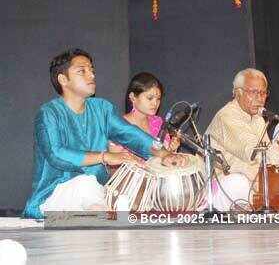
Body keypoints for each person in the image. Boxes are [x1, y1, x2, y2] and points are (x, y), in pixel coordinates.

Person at [23, 48, 185, 219]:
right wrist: (104, 156)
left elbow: (130, 133)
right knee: (85, 184)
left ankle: (106, 215)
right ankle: (106, 217)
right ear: (63, 79)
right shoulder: (49, 113)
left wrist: (164, 153)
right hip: (53, 196)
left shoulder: (102, 109)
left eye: (92, 70)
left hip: (94, 193)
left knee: (118, 196)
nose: (91, 75)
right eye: (82, 71)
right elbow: (56, 153)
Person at [206, 68, 279, 211]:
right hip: (223, 184)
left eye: (263, 93)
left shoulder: (257, 118)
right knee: (239, 183)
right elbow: (254, 149)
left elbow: (266, 154)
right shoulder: (227, 116)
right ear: (238, 93)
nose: (260, 98)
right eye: (254, 92)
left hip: (252, 182)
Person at [108, 72, 180, 163]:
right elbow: (113, 169)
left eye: (158, 99)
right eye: (150, 98)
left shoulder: (158, 122)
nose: (155, 103)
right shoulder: (119, 126)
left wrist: (171, 150)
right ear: (132, 97)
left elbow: (161, 161)